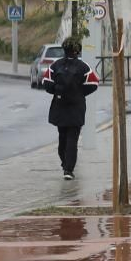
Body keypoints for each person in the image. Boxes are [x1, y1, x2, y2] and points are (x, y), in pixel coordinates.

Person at [43, 37, 99, 179]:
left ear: (64, 49)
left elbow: (46, 83)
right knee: (72, 139)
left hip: (59, 107)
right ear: (77, 51)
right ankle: (68, 169)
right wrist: (80, 93)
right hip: (76, 108)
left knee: (62, 138)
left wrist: (57, 91)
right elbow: (94, 84)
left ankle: (65, 163)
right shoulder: (84, 67)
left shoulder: (55, 65)